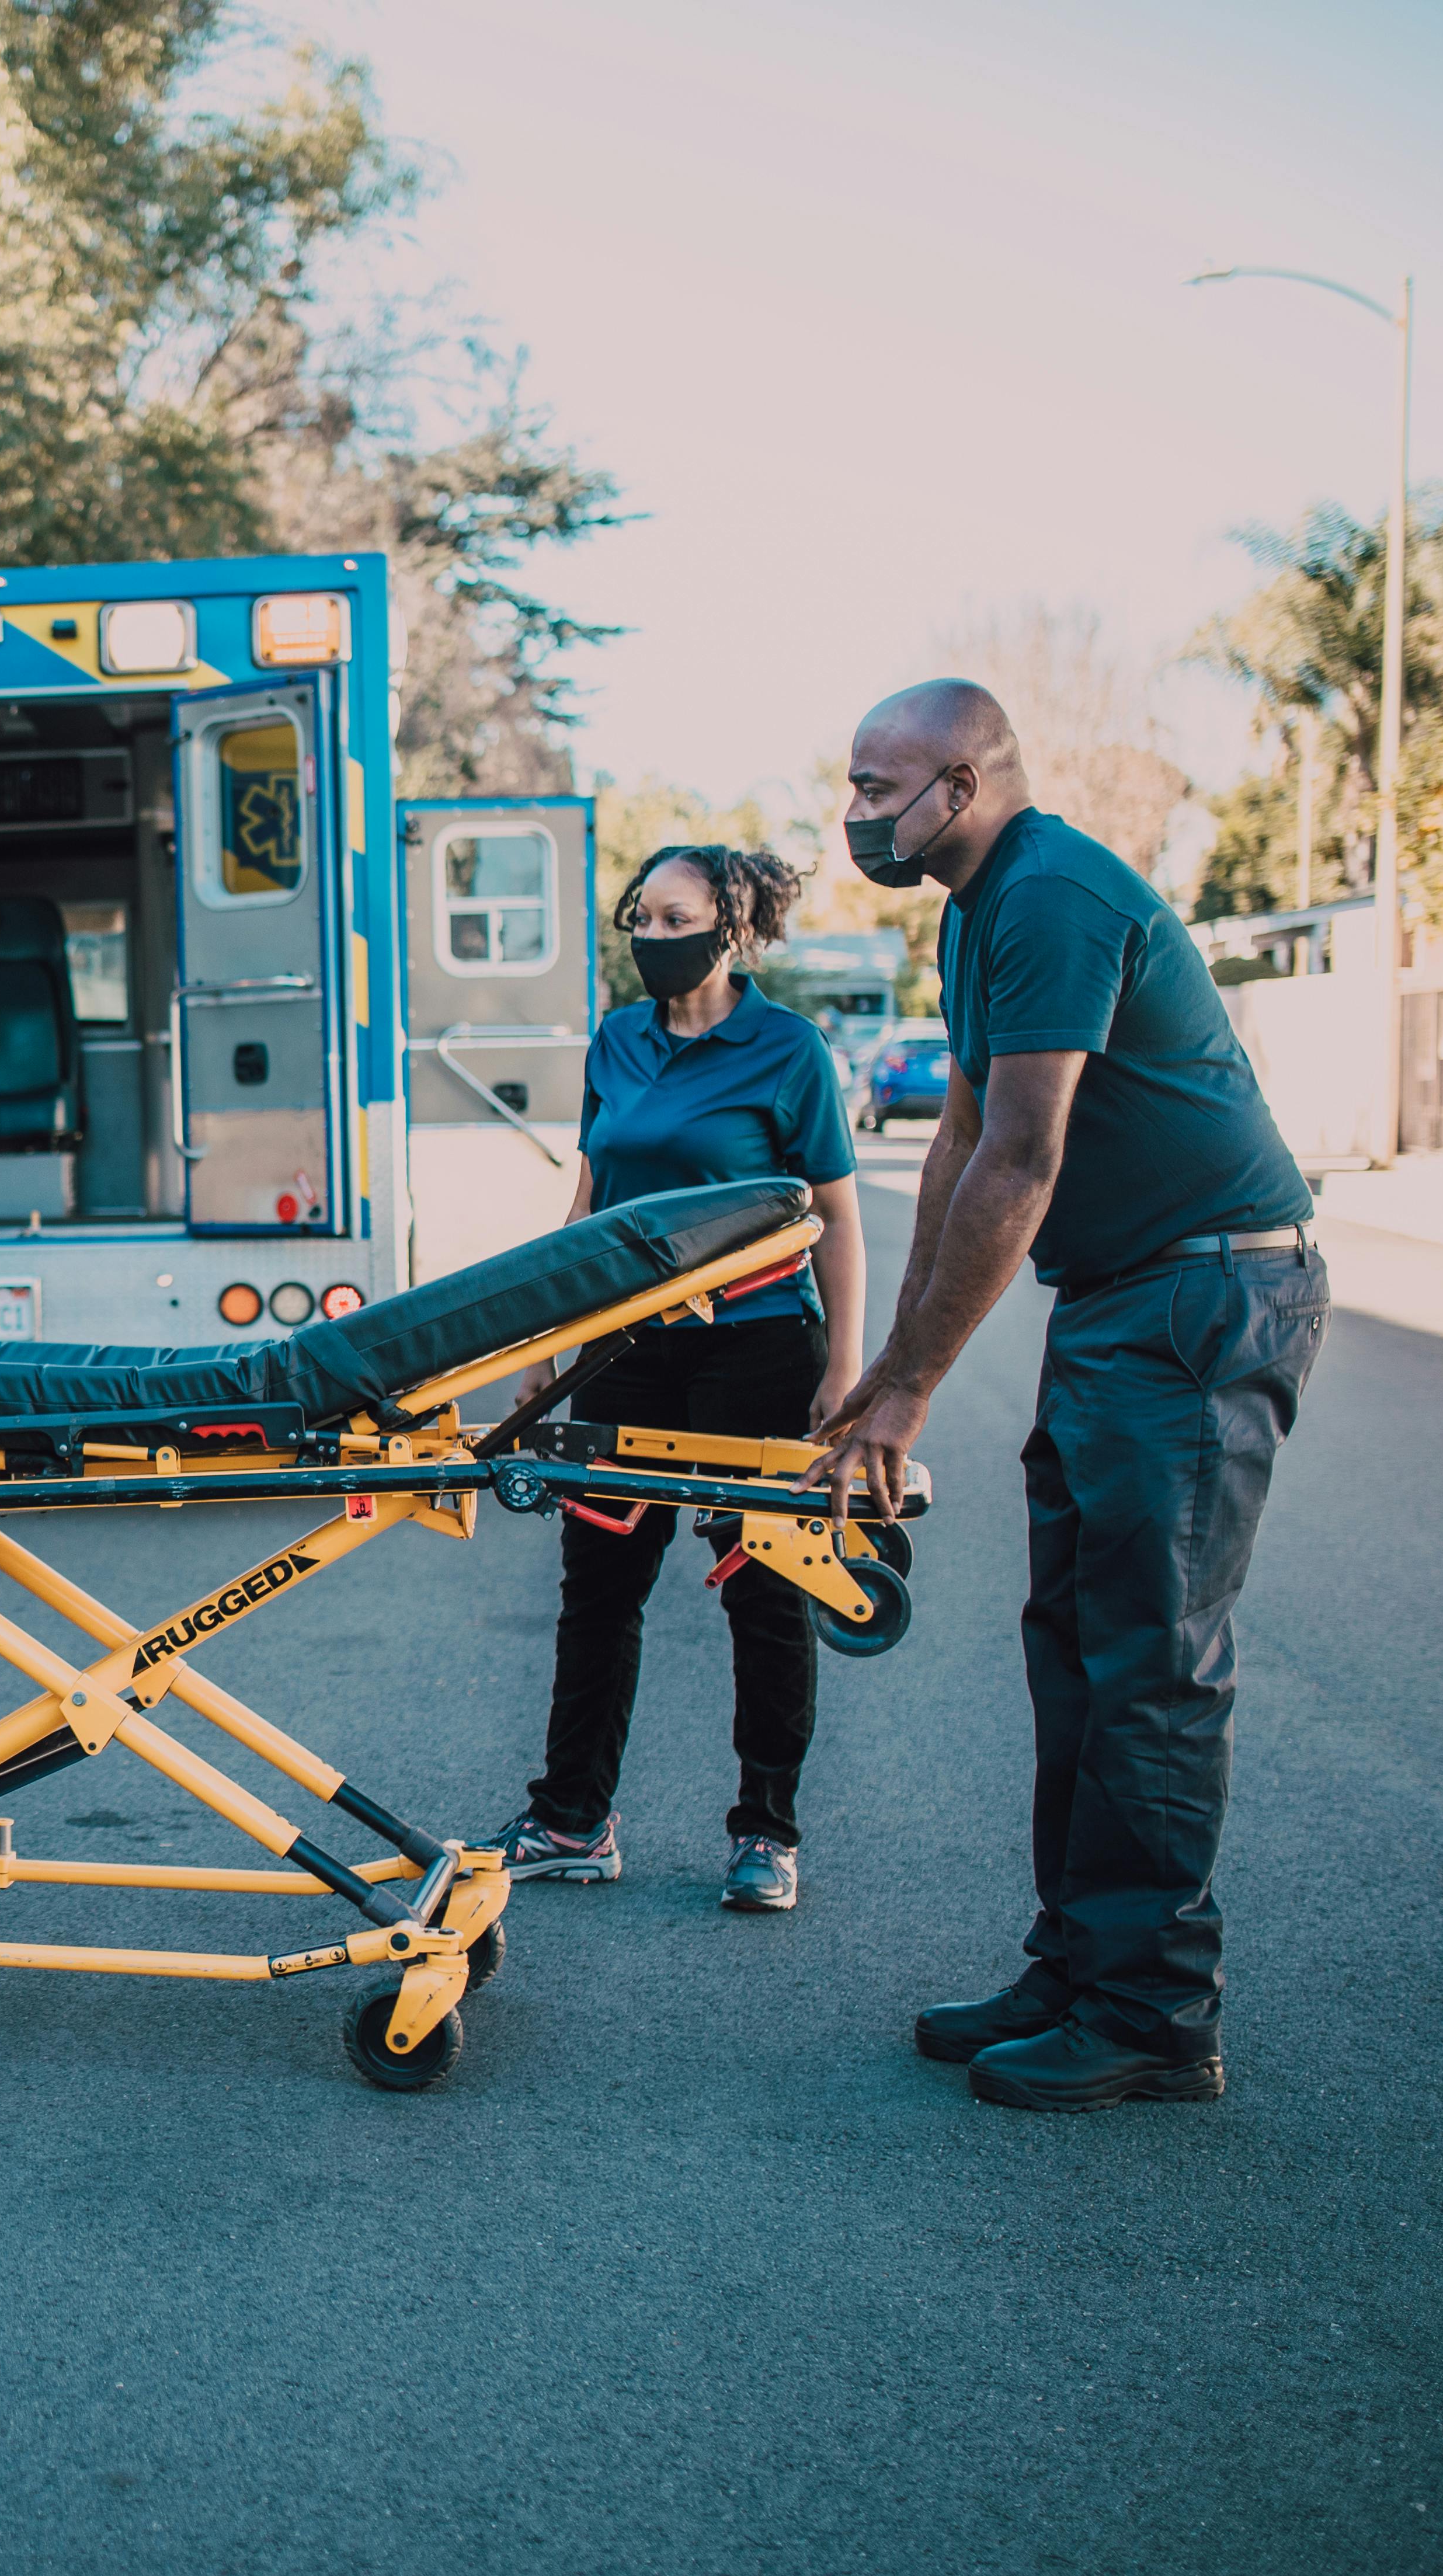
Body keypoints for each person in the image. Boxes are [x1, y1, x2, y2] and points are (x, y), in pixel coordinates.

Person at [806, 680, 1324, 2115]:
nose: (855, 814)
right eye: (848, 789)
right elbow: (958, 1143)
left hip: (1202, 1294)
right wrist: (882, 1373)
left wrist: (913, 1388)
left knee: (1149, 1658)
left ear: (962, 786)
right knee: (1079, 1647)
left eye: (875, 786)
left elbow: (1024, 1160)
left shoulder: (1050, 896)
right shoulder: (976, 911)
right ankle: (1080, 1964)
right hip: (1124, 1298)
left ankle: (1156, 2012)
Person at [491, 845, 865, 1913]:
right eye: (640, 918)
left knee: (762, 1587)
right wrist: (541, 1354)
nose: (652, 938)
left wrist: (844, 1369)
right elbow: (590, 1204)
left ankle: (766, 1833)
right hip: (626, 1353)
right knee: (599, 1587)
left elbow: (834, 1219)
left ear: (733, 928)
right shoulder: (615, 1039)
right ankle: (572, 1819)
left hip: (754, 1349)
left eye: (675, 918)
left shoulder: (788, 1051)